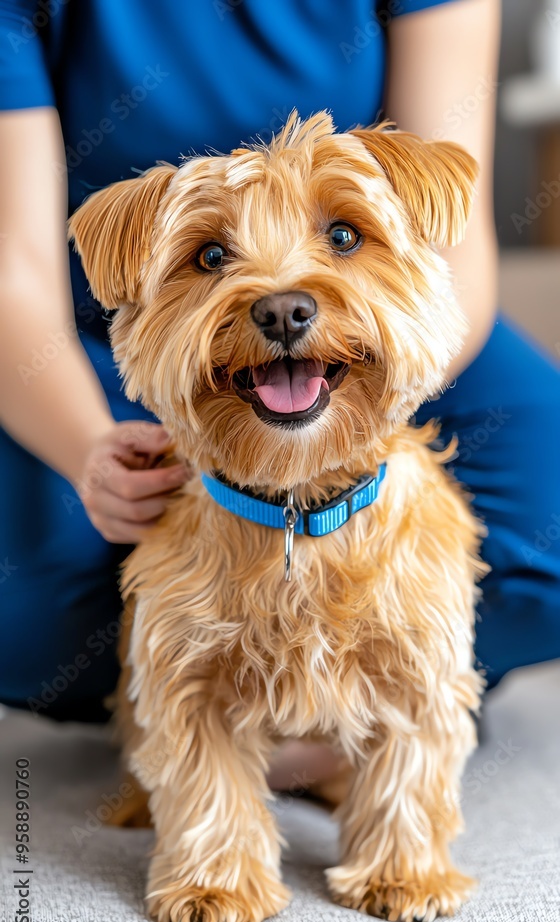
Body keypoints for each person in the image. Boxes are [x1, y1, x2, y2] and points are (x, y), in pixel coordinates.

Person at [1, 1, 559, 791]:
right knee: (26, 623)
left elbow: (451, 237)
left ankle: (377, 695)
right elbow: (11, 269)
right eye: (219, 251)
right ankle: (192, 715)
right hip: (115, 329)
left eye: (332, 229)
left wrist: (385, 382)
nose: (279, 301)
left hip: (384, 309)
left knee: (550, 544)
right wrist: (90, 450)